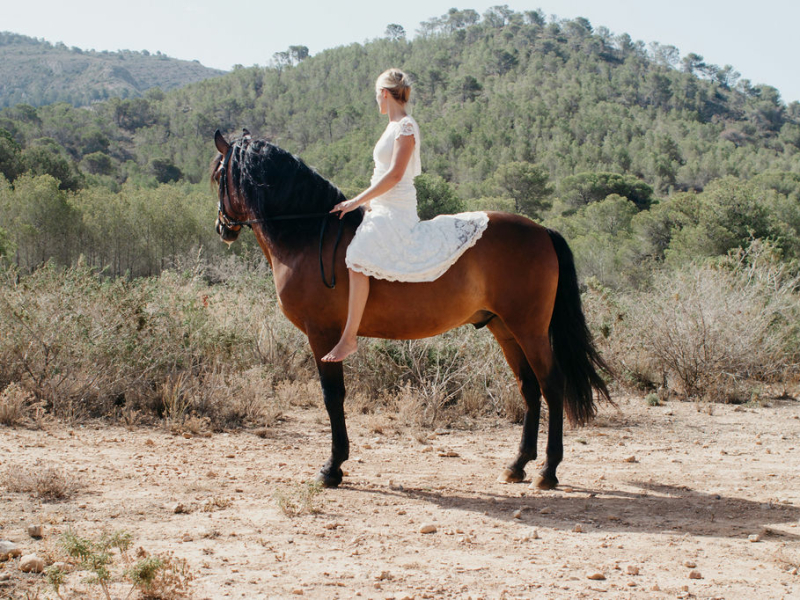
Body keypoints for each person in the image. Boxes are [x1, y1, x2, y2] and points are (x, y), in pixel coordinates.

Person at [321, 68, 489, 362]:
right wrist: (365, 205)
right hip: (380, 206)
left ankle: (348, 339)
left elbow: (396, 174)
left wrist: (357, 200)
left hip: (396, 210)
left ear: (384, 94)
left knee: (357, 258)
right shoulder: (392, 126)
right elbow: (381, 174)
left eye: (377, 95)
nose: (377, 100)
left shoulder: (405, 127)